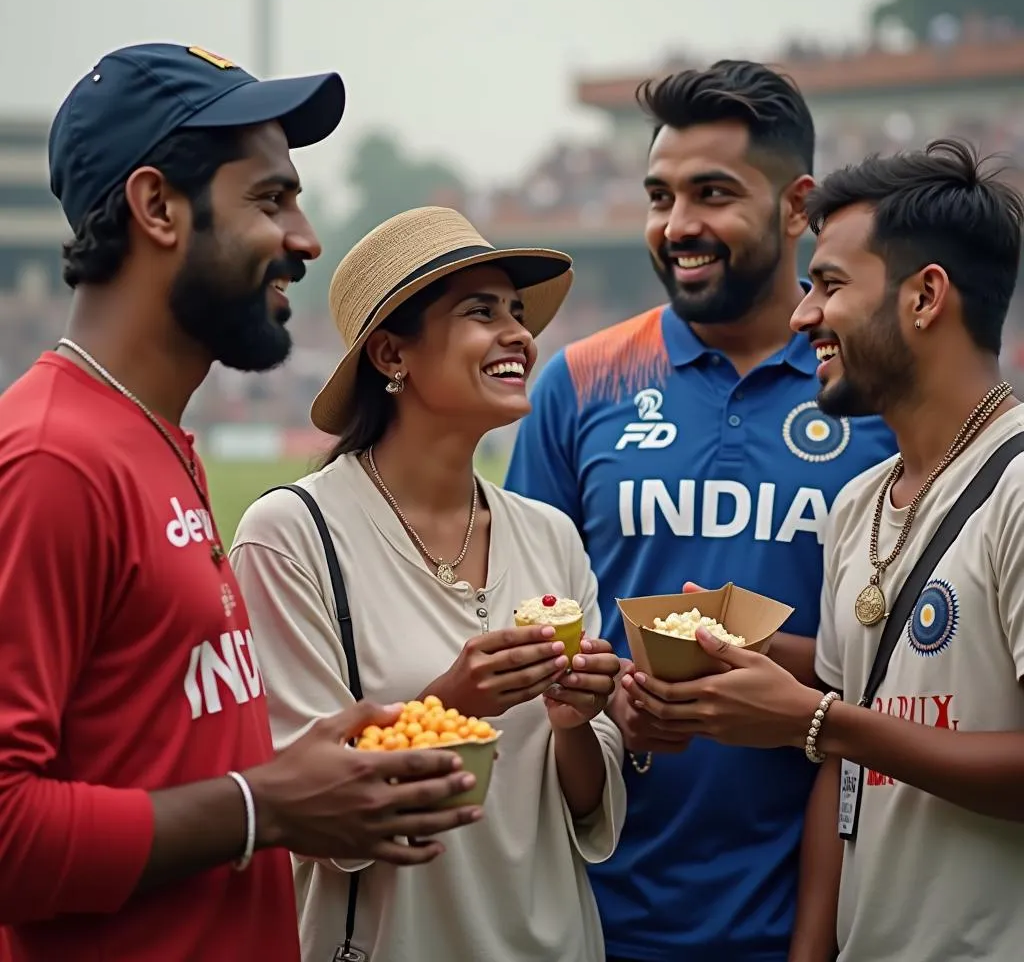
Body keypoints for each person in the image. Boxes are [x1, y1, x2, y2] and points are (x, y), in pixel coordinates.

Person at [0, 44, 483, 962]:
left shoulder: (150, 436)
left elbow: (146, 756)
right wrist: (265, 806)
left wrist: (297, 784)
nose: (305, 239)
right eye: (271, 199)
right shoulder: (50, 457)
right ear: (156, 207)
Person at [504, 60, 896, 962]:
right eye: (659, 196)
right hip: (593, 910)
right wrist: (607, 699)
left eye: (712, 193)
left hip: (825, 911)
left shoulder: (871, 397)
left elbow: (907, 674)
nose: (678, 226)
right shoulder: (581, 381)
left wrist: (785, 688)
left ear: (797, 207)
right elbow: (530, 624)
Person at [640, 138, 1024, 962]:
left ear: (926, 297)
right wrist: (755, 656)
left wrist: (817, 719)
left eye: (831, 286)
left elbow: (841, 730)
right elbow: (849, 765)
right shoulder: (859, 503)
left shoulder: (1018, 486)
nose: (802, 315)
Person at [229, 205, 627, 962]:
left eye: (517, 311)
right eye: (481, 312)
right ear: (390, 355)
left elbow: (586, 808)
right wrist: (453, 701)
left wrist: (579, 717)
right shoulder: (293, 535)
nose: (519, 333)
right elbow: (297, 807)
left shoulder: (551, 535)